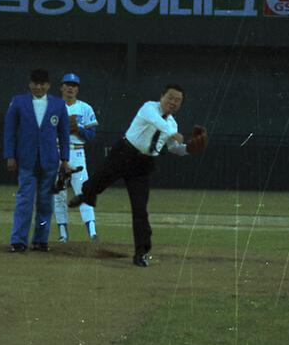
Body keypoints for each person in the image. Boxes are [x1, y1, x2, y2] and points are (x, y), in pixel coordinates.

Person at [69, 84, 208, 267]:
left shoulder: (173, 124)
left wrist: (188, 149)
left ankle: (141, 253)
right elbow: (158, 123)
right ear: (162, 96)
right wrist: (173, 134)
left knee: (140, 210)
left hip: (143, 165)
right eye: (170, 98)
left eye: (178, 100)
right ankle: (86, 195)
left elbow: (174, 148)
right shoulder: (149, 108)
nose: (173, 102)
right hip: (124, 153)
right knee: (97, 181)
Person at [4, 68, 71, 252]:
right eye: (36, 83)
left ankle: (41, 240)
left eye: (43, 84)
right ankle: (18, 240)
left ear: (48, 85)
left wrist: (65, 160)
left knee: (45, 202)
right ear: (30, 84)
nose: (39, 87)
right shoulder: (18, 102)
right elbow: (9, 131)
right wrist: (10, 156)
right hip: (26, 160)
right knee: (24, 201)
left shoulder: (58, 105)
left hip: (49, 161)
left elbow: (64, 134)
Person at [54, 73, 98, 243]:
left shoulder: (85, 108)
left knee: (83, 191)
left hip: (77, 152)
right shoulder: (54, 107)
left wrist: (78, 128)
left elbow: (92, 135)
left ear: (77, 89)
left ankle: (93, 233)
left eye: (74, 85)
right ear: (61, 87)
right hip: (56, 152)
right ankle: (63, 235)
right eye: (67, 84)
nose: (70, 87)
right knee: (58, 194)